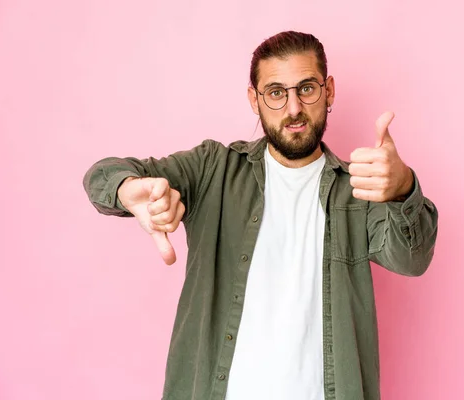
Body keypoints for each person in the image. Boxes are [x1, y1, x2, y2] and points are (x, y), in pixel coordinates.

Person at [83, 31, 438, 400]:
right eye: (276, 92)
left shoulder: (360, 188)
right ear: (255, 99)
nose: (294, 108)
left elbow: (412, 260)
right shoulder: (212, 170)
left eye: (306, 89)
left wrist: (402, 187)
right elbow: (103, 174)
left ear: (329, 91)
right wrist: (127, 190)